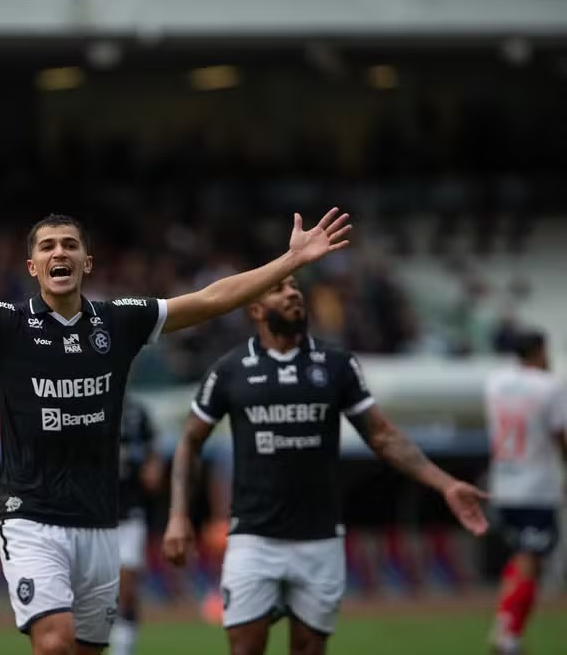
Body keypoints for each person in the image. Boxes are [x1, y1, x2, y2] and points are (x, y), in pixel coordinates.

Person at [0, 202, 351, 655]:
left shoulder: (120, 321)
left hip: (99, 523)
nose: (60, 253)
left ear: (86, 263)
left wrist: (290, 262)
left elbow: (211, 298)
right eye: (48, 246)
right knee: (53, 643)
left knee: (82, 649)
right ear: (33, 267)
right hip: (31, 519)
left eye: (70, 245)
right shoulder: (4, 324)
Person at [163, 274, 489, 655]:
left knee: (309, 649)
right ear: (255, 308)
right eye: (279, 289)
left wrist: (445, 484)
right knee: (245, 649)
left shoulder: (336, 365)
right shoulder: (229, 370)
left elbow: (382, 436)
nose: (292, 294)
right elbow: (189, 441)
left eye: (295, 287)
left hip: (319, 540)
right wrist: (178, 515)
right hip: (253, 539)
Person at [484, 329, 566, 655]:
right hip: (537, 487)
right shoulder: (550, 386)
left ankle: (504, 627)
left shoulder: (495, 382)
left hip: (504, 483)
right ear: (539, 351)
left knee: (521, 558)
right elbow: (560, 436)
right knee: (531, 561)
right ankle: (508, 636)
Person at [109, 398, 162, 655]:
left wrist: (153, 469)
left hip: (130, 512)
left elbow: (154, 454)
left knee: (127, 587)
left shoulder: (137, 413)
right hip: (93, 514)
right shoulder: (85, 404)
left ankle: (123, 650)